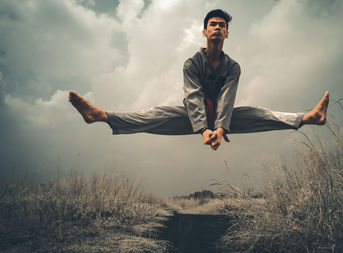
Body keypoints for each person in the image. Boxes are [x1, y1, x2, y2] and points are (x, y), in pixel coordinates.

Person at [69, 9, 329, 151]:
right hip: (193, 117)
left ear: (227, 34)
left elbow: (227, 98)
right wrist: (204, 129)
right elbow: (193, 96)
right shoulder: (192, 63)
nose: (217, 27)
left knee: (259, 113)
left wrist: (221, 128)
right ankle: (100, 115)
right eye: (212, 24)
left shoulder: (233, 67)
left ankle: (310, 118)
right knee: (154, 115)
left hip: (223, 118)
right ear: (205, 31)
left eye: (221, 25)